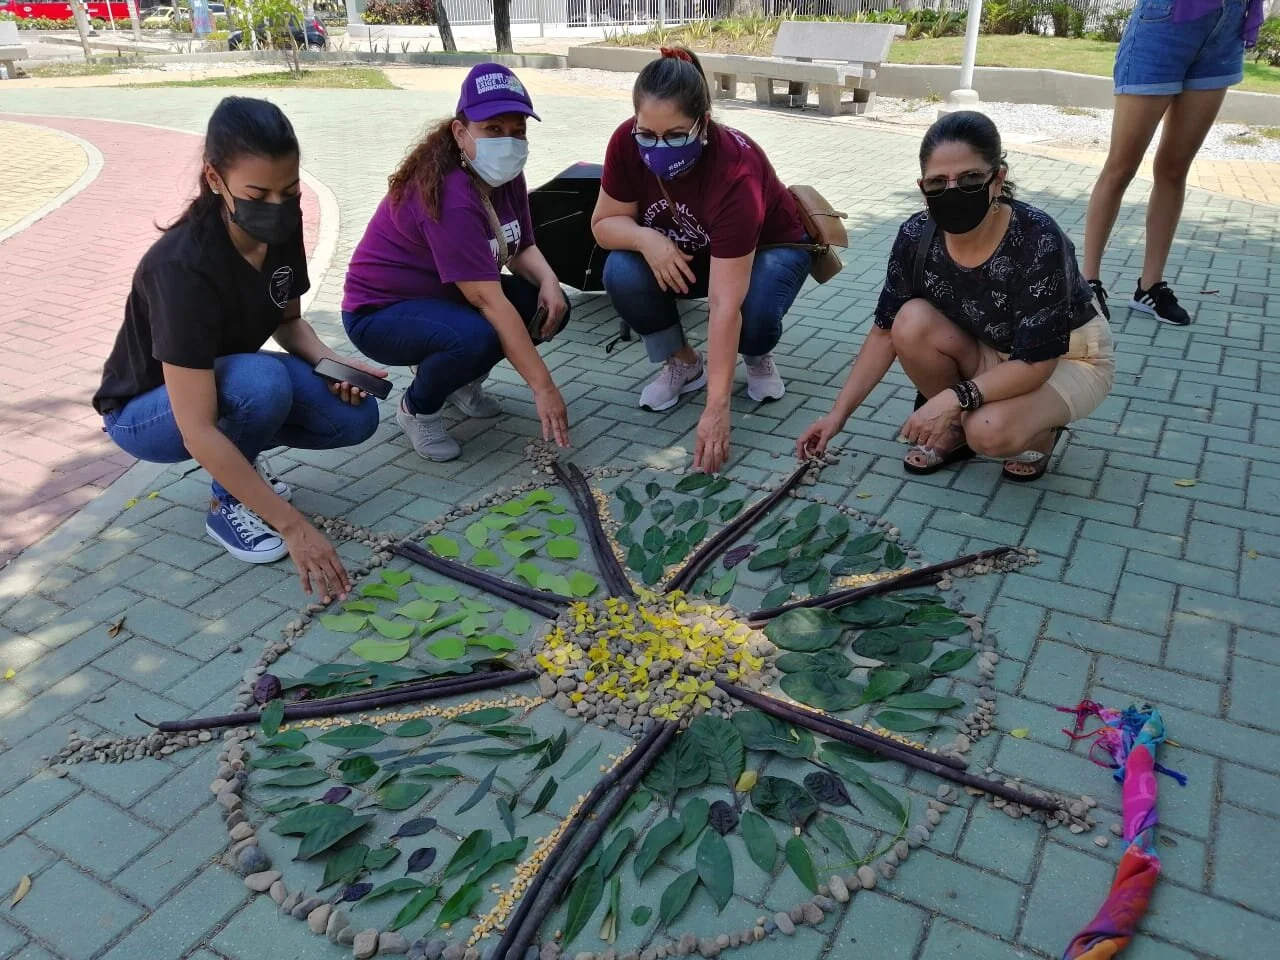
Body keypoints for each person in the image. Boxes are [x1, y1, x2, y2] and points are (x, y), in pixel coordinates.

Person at [92, 97, 383, 598]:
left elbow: (289, 324)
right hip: (145, 411)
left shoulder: (282, 229)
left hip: (228, 383)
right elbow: (197, 427)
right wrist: (294, 527)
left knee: (354, 418)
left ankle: (243, 469)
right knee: (259, 383)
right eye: (257, 193)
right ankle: (228, 504)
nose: (276, 207)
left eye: (289, 191)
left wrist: (331, 364)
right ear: (213, 178)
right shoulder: (181, 267)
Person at [797, 112, 1115, 483]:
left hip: (1066, 357)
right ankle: (954, 430)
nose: (952, 191)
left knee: (989, 430)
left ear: (998, 179)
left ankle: (1040, 430)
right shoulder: (916, 235)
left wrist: (951, 399)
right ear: (922, 187)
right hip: (992, 348)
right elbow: (884, 333)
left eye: (970, 178)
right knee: (910, 320)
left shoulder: (1037, 237)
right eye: (937, 182)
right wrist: (837, 416)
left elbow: (1036, 364)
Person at [591, 46, 812, 475]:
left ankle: (757, 354)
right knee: (620, 270)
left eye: (675, 135)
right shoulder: (624, 141)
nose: (658, 147)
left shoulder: (736, 170)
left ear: (703, 123)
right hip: (689, 250)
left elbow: (723, 303)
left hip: (770, 249)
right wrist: (646, 239)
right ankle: (685, 365)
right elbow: (603, 223)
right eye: (647, 135)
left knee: (753, 312)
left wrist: (717, 409)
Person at [343, 62, 572, 462]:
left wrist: (552, 284)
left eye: (517, 130)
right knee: (473, 337)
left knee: (545, 305)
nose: (509, 141)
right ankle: (417, 409)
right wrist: (544, 387)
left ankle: (459, 383)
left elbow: (520, 247)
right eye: (493, 130)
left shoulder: (506, 177)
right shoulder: (451, 194)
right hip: (380, 313)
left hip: (449, 298)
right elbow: (488, 300)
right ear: (461, 132)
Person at [1082, 0, 1265, 326]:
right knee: (1121, 167)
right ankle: (1087, 284)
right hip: (1165, 22)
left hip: (1228, 24)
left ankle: (1150, 286)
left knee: (1174, 168)